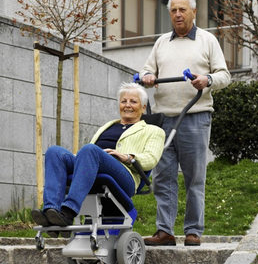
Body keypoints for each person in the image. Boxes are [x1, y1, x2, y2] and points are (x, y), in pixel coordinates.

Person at [139, 0, 231, 246]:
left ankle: (193, 231)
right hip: (164, 120)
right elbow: (147, 69)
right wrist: (147, 76)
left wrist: (207, 80)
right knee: (163, 177)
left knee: (194, 177)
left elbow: (224, 75)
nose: (177, 15)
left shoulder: (207, 40)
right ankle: (164, 231)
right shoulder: (161, 43)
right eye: (173, 11)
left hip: (195, 116)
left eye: (182, 10)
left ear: (193, 11)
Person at [31, 83, 165, 236]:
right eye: (123, 101)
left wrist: (127, 157)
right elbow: (90, 153)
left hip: (125, 174)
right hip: (95, 163)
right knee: (54, 152)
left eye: (133, 102)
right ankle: (51, 212)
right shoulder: (108, 126)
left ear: (143, 107)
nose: (127, 105)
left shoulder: (153, 131)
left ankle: (68, 211)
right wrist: (79, 157)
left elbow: (151, 159)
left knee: (90, 149)